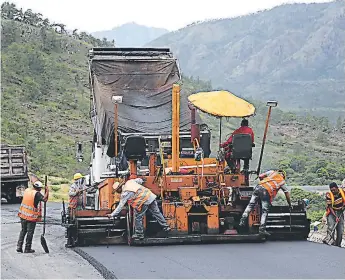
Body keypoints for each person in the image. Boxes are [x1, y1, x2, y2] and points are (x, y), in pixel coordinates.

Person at [239, 169, 291, 236]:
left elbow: (260, 176)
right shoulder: (282, 182)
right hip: (265, 192)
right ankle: (262, 230)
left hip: (258, 187)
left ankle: (242, 221)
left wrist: (264, 183)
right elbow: (287, 194)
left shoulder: (272, 172)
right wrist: (289, 204)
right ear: (283, 176)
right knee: (265, 211)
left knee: (250, 205)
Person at [17, 180, 49, 253]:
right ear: (40, 188)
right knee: (30, 232)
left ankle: (19, 246)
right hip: (30, 217)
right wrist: (47, 191)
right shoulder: (37, 194)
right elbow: (45, 199)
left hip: (22, 215)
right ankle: (27, 248)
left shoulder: (27, 190)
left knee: (23, 231)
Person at [323, 182, 345, 247]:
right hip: (331, 212)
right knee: (331, 227)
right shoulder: (329, 195)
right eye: (331, 190)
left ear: (337, 188)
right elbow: (330, 206)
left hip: (340, 211)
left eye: (334, 190)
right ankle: (330, 241)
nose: (333, 191)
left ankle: (338, 244)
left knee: (340, 229)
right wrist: (335, 217)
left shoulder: (343, 192)